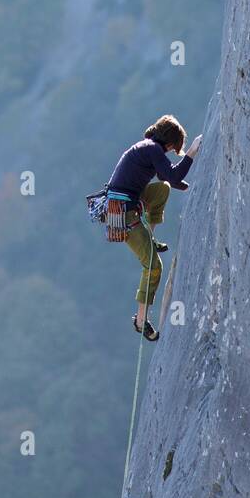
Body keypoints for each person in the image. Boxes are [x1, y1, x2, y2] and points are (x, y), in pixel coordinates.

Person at [106, 115, 203, 341]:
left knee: (163, 189)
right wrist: (192, 153)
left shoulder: (147, 148)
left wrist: (186, 186)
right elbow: (173, 173)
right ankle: (141, 321)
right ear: (170, 143)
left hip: (125, 203)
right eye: (174, 149)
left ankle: (151, 236)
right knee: (153, 266)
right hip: (122, 213)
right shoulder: (152, 150)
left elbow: (168, 178)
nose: (171, 152)